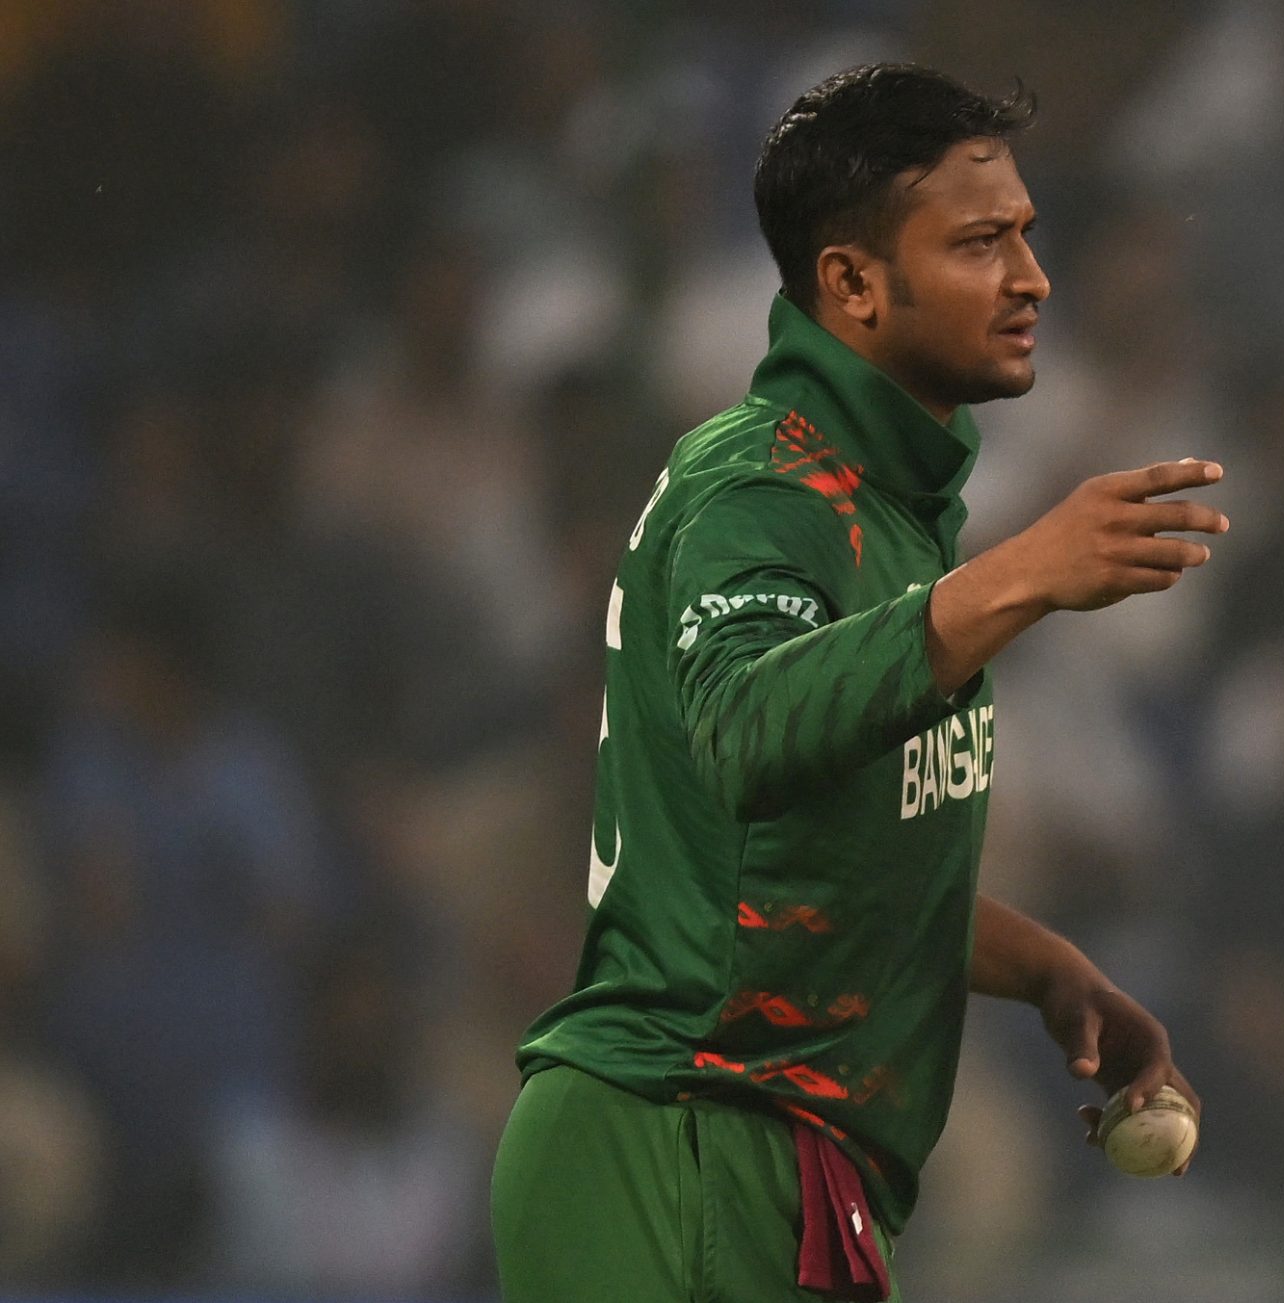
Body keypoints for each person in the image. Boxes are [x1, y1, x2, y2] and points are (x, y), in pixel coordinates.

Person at [492, 65, 1226, 1302]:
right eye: (980, 245)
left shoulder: (888, 511)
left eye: (1027, 239)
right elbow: (744, 728)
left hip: (771, 1153)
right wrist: (1020, 577)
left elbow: (815, 862)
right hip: (681, 1139)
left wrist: (1045, 968)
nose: (1033, 280)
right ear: (850, 283)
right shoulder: (766, 487)